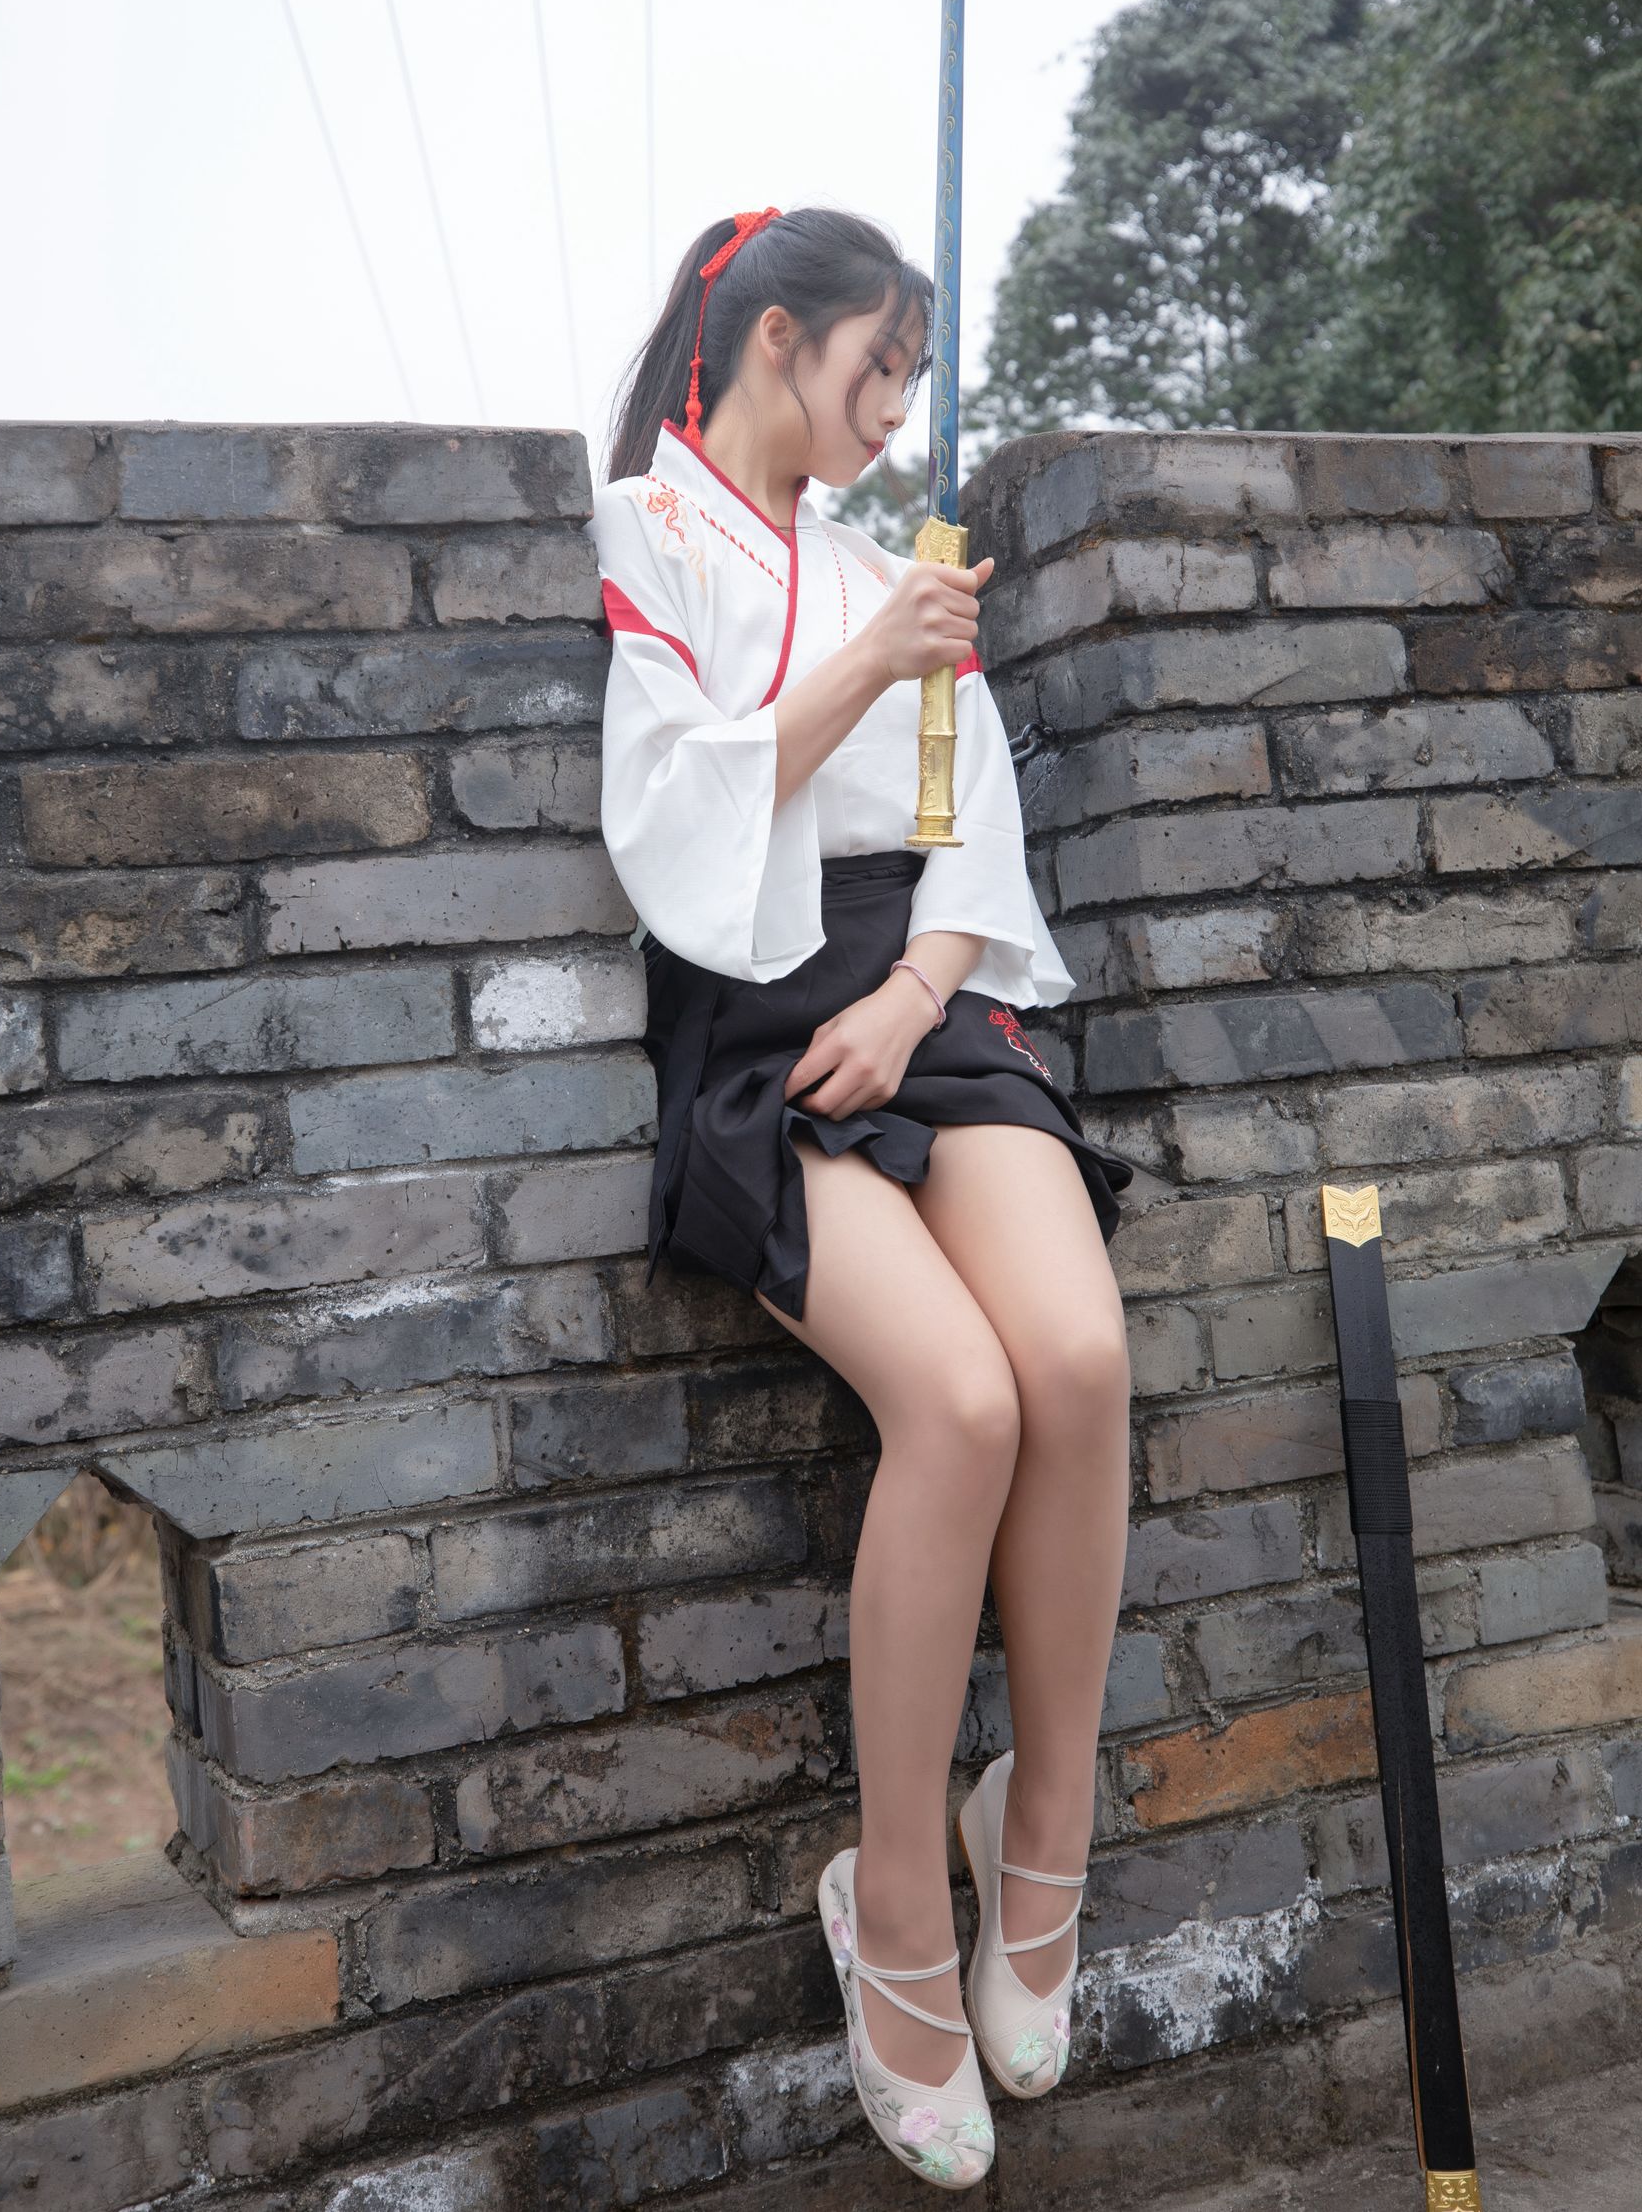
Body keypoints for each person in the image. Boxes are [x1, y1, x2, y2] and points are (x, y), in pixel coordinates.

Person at [590, 206, 1134, 2192]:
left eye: (911, 376)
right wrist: (869, 660)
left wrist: (916, 1000)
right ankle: (892, 1897)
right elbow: (668, 813)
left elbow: (964, 819)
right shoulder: (647, 532)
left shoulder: (873, 564)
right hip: (759, 1018)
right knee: (960, 1404)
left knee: (1076, 1361)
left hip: (922, 998)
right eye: (876, 366)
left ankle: (1041, 1825)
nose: (896, 411)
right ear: (776, 337)